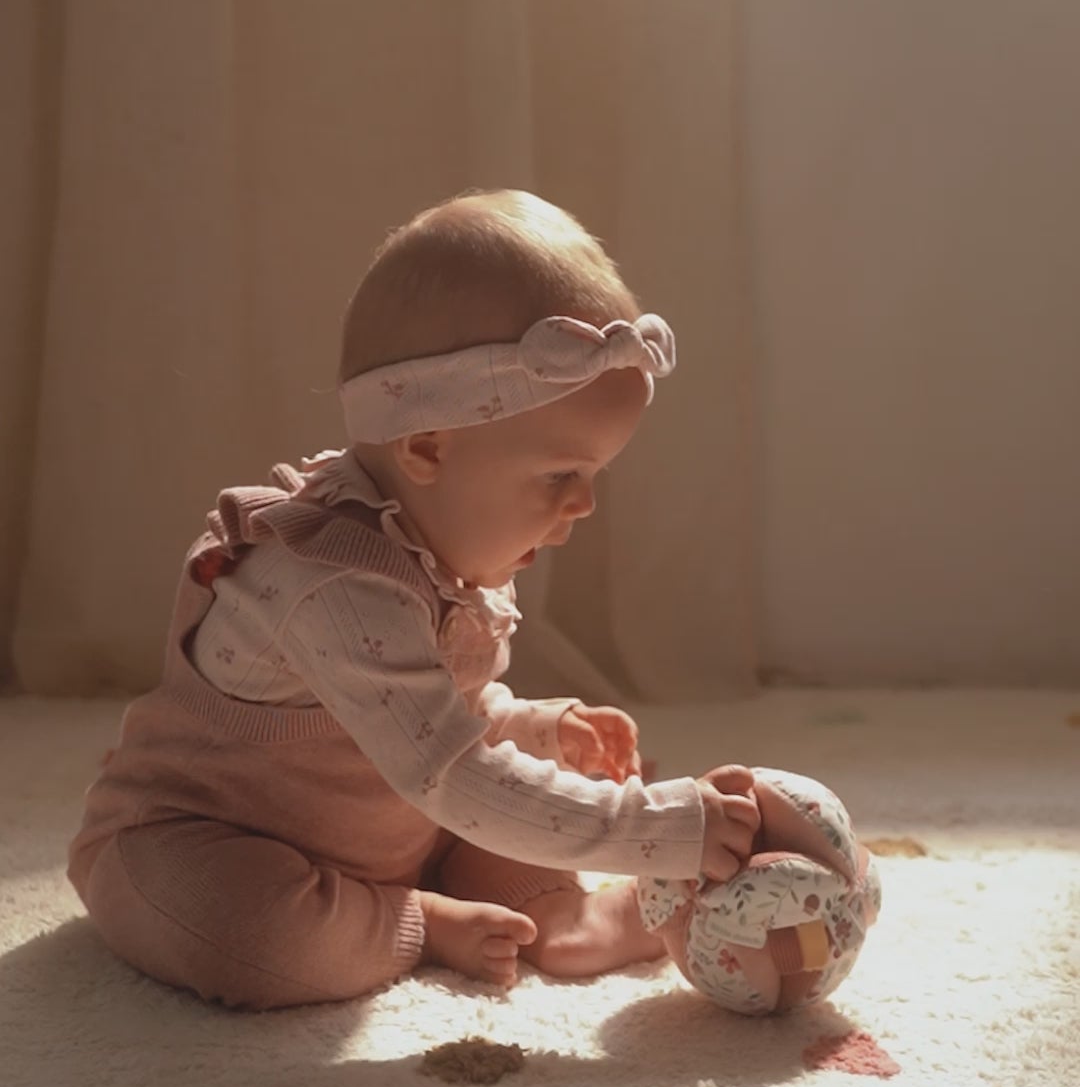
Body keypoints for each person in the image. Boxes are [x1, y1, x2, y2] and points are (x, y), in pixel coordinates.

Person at [68, 189, 761, 1009]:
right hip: (208, 838)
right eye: (559, 476)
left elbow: (445, 712)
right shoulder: (330, 578)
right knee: (249, 936)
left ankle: (561, 916)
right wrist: (660, 830)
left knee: (511, 808)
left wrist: (534, 726)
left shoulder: (442, 548)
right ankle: (410, 922)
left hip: (403, 816)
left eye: (592, 478)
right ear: (428, 446)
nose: (583, 506)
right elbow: (454, 772)